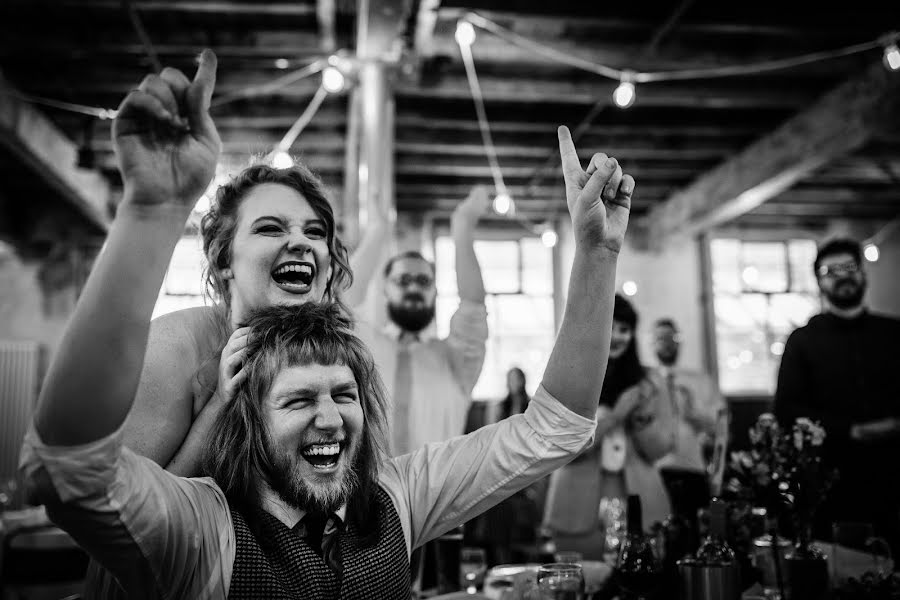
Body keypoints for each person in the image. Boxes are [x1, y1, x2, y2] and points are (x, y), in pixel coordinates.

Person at [19, 50, 636, 598]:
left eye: (316, 231)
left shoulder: (393, 494)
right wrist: (153, 212)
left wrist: (597, 256)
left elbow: (553, 428)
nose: (303, 243)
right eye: (271, 228)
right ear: (223, 262)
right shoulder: (179, 355)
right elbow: (86, 485)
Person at [774, 237, 900, 556]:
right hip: (832, 484)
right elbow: (787, 410)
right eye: (831, 270)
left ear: (863, 273)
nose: (842, 275)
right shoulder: (802, 341)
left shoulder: (894, 333)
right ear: (819, 281)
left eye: (849, 267)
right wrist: (852, 431)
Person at [349, 187, 489, 457]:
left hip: (439, 496)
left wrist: (462, 231)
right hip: (364, 495)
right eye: (402, 280)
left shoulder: (455, 360)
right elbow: (340, 304)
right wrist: (378, 231)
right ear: (385, 290)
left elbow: (473, 309)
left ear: (434, 291)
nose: (413, 287)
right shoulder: (363, 348)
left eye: (423, 281)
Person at [543, 295, 674, 559]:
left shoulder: (651, 382)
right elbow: (559, 450)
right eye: (609, 327)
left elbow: (661, 449)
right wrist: (615, 417)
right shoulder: (567, 376)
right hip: (576, 505)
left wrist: (641, 419)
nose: (616, 336)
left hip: (641, 501)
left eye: (624, 329)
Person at [651, 318, 727, 474]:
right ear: (652, 343)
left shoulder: (700, 381)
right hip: (654, 468)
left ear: (679, 341)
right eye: (660, 338)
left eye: (670, 338)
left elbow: (721, 423)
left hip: (691, 465)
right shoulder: (647, 382)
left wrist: (695, 413)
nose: (666, 343)